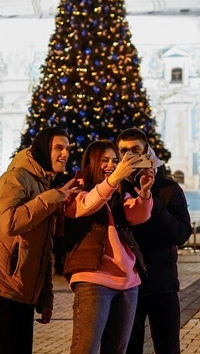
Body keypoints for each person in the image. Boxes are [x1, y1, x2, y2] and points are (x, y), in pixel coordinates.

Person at [0, 127, 79, 354]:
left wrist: (45, 295)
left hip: (21, 284)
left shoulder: (43, 183)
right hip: (2, 282)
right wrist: (54, 197)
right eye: (58, 148)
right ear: (43, 150)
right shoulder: (16, 177)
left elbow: (42, 247)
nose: (65, 154)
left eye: (67, 148)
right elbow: (10, 223)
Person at [62, 139, 154, 354]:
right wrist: (114, 180)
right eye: (104, 160)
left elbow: (138, 216)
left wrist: (145, 193)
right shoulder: (77, 191)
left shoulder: (120, 193)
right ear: (92, 162)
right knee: (86, 349)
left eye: (114, 160)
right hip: (94, 281)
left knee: (117, 350)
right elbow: (86, 206)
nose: (111, 165)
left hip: (128, 282)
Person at [115, 128, 191, 354]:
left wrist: (151, 201)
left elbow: (181, 235)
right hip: (128, 285)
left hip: (162, 283)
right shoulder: (115, 189)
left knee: (167, 346)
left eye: (135, 150)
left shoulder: (167, 189)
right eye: (123, 151)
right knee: (129, 347)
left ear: (147, 151)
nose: (129, 156)